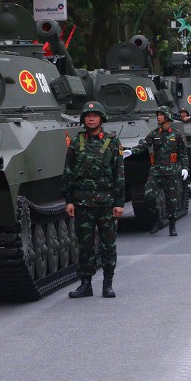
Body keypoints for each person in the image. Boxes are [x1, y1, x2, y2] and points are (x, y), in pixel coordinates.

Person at [62, 101, 125, 299]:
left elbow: (119, 174)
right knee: (85, 246)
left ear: (101, 118)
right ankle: (85, 284)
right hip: (82, 203)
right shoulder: (76, 142)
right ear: (83, 119)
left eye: (95, 115)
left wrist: (119, 203)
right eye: (88, 116)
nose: (91, 119)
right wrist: (69, 200)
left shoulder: (112, 142)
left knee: (108, 245)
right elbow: (68, 173)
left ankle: (108, 284)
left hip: (106, 202)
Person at [129, 106, 188, 236]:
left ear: (167, 117)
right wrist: (131, 151)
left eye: (161, 115)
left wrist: (184, 168)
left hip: (171, 171)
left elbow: (183, 153)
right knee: (149, 196)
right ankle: (156, 219)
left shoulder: (177, 135)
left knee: (172, 200)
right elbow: (143, 146)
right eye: (158, 115)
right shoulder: (154, 134)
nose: (158, 117)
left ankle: (172, 225)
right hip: (156, 171)